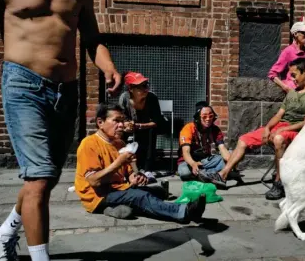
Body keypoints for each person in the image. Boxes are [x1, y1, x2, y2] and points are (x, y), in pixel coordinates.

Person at [0, 0, 122, 261]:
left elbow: (93, 39)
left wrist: (109, 67)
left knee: (48, 178)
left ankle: (4, 234)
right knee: (38, 179)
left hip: (66, 91)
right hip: (23, 84)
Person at [200, 58, 305, 199]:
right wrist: (268, 128)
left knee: (278, 138)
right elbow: (279, 115)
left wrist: (281, 130)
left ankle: (279, 183)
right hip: (280, 127)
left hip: (298, 132)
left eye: (294, 75)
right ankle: (223, 175)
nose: (292, 79)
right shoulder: (292, 93)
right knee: (243, 140)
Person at [74, 103, 206, 225]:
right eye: (116, 121)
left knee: (158, 192)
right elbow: (94, 182)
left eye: (122, 120)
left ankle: (114, 208)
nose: (121, 125)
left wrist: (136, 177)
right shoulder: (89, 144)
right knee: (141, 197)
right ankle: (184, 212)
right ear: (100, 122)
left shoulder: (120, 143)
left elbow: (129, 173)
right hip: (97, 196)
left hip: (118, 188)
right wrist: (119, 162)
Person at [119, 72, 165, 178]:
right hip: (131, 127)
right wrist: (127, 124)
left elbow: (156, 122)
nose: (145, 89)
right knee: (120, 131)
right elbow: (122, 117)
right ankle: (125, 166)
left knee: (151, 132)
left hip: (148, 127)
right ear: (131, 89)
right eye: (141, 86)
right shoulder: (124, 98)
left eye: (146, 85)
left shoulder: (152, 98)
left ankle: (148, 169)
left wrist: (138, 126)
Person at [177, 101, 231, 181]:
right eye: (204, 117)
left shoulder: (215, 129)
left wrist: (231, 161)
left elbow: (222, 148)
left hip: (205, 160)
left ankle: (203, 174)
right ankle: (210, 174)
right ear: (198, 118)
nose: (208, 119)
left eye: (211, 116)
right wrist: (193, 164)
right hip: (189, 161)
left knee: (224, 159)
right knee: (185, 172)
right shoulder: (188, 128)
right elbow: (186, 152)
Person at [268, 19, 305, 93]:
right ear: (295, 34)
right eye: (304, 33)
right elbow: (272, 74)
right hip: (294, 93)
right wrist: (286, 88)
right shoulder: (288, 51)